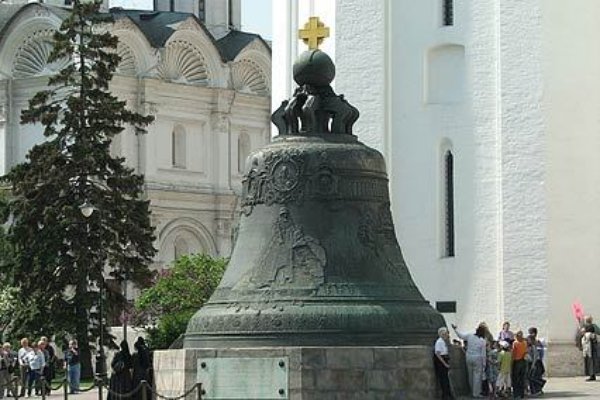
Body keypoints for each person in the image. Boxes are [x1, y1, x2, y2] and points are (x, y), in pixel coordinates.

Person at [452, 323, 486, 398]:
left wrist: (455, 329)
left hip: (469, 357)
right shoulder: (482, 341)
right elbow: (483, 354)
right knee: (477, 376)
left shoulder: (470, 336)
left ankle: (471, 390)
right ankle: (476, 393)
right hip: (477, 358)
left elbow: (460, 336)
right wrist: (484, 364)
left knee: (470, 375)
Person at [433, 327, 453, 400]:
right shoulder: (439, 342)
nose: (447, 335)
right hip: (441, 361)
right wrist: (445, 364)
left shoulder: (443, 341)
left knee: (445, 379)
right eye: (446, 334)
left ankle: (448, 394)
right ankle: (445, 395)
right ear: (442, 334)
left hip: (444, 359)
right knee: (443, 379)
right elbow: (437, 354)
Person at [526, 327, 546, 395]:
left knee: (534, 377)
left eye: (530, 333)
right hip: (535, 362)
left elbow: (536, 356)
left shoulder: (536, 344)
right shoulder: (534, 344)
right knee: (533, 377)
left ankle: (538, 389)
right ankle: (535, 390)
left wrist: (533, 364)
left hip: (536, 363)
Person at [511, 330, 528, 399]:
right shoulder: (525, 342)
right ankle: (521, 394)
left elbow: (513, 353)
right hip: (523, 361)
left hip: (517, 361)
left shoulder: (515, 343)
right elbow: (526, 352)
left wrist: (511, 362)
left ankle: (516, 394)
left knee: (515, 378)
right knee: (522, 378)